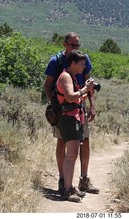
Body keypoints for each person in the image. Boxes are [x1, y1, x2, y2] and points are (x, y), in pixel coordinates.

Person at [44, 32, 99, 196]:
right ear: (65, 44)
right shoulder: (57, 61)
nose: (75, 47)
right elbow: (47, 85)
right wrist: (55, 105)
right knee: (62, 142)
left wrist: (92, 105)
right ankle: (63, 181)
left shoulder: (83, 59)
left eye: (77, 45)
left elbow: (89, 82)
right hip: (65, 107)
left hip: (79, 105)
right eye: (72, 45)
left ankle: (83, 179)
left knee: (84, 141)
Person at [55, 50, 95, 202]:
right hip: (68, 119)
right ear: (73, 63)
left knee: (72, 154)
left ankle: (69, 187)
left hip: (74, 118)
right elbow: (70, 97)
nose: (84, 67)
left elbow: (75, 98)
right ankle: (67, 190)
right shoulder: (65, 76)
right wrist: (85, 90)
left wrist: (88, 91)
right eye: (82, 64)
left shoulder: (71, 77)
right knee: (71, 155)